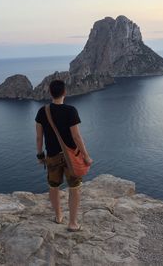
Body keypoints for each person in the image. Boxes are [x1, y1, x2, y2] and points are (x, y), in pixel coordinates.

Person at [35, 79, 93, 232]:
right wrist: (86, 156)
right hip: (71, 157)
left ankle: (59, 216)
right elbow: (76, 137)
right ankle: (73, 223)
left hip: (52, 156)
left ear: (50, 93)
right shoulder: (71, 110)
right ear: (65, 93)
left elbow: (39, 137)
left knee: (53, 187)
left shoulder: (42, 111)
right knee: (74, 188)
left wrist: (40, 155)